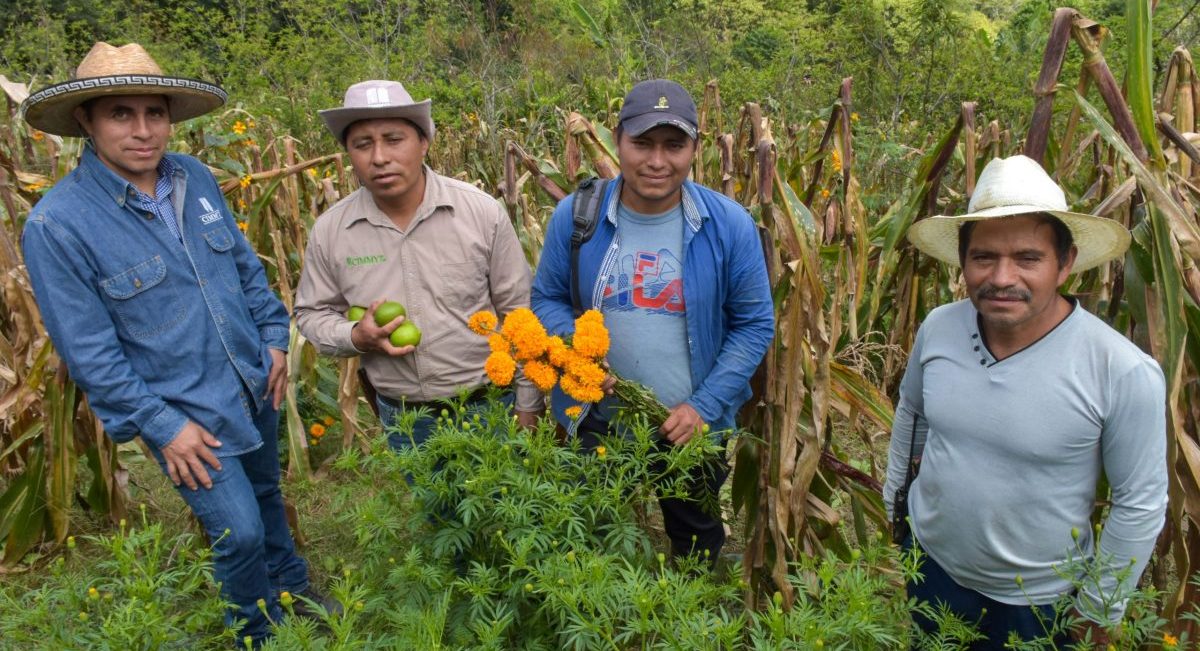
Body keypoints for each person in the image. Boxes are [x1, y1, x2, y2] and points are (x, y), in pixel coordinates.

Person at [19, 42, 325, 646]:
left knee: (267, 492)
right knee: (236, 530)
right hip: (184, 410)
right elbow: (90, 352)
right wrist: (160, 426)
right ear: (86, 121)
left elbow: (242, 268)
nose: (142, 131)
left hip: (252, 377)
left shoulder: (195, 178)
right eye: (120, 114)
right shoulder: (58, 225)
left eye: (154, 113)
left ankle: (295, 590)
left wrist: (273, 337)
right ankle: (258, 631)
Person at [885, 154, 1167, 648]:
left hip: (1040, 601)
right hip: (932, 572)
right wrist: (898, 515)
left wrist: (1098, 611)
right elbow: (913, 415)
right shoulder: (938, 329)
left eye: (1027, 258)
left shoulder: (1119, 370)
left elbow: (1139, 503)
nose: (1002, 277)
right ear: (964, 262)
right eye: (984, 257)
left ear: (1066, 263)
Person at [530, 79, 774, 562]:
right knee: (592, 538)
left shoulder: (728, 225)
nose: (657, 161)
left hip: (688, 426)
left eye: (674, 145)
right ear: (617, 139)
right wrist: (579, 352)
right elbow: (547, 299)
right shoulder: (576, 216)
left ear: (695, 149)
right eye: (642, 143)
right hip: (594, 418)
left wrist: (702, 406)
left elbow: (753, 325)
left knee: (696, 541)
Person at [294, 80, 542, 448]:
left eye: (394, 139)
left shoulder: (480, 213)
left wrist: (528, 407)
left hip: (490, 404)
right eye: (363, 144)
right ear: (348, 152)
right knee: (429, 507)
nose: (379, 157)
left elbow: (519, 314)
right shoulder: (332, 230)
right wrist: (356, 337)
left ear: (424, 142)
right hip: (405, 418)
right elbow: (311, 314)